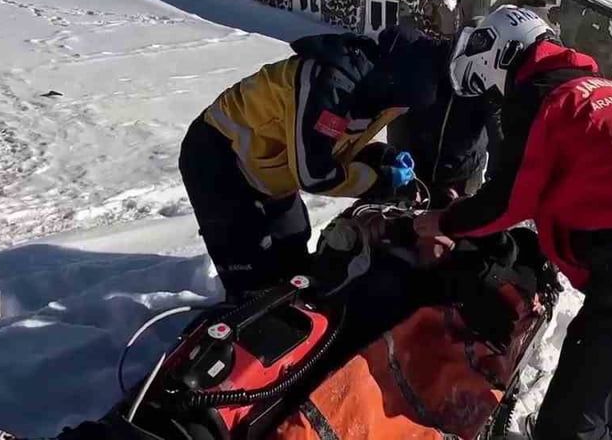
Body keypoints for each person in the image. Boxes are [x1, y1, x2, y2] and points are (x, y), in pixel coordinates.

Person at [411, 5, 612, 440]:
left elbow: (508, 200)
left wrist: (444, 221)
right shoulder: (585, 87)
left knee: (573, 414)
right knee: (600, 383)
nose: (497, 99)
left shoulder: (544, 98)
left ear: (501, 53)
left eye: (491, 86)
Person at [180, 30, 441, 299]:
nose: (402, 112)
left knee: (294, 251)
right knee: (254, 280)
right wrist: (383, 183)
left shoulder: (377, 89)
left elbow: (333, 143)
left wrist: (378, 156)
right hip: (217, 158)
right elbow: (315, 174)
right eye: (404, 105)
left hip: (269, 164)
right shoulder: (331, 87)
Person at [379, 23, 502, 209]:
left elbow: (499, 136)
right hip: (414, 169)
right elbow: (399, 115)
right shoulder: (425, 62)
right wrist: (399, 163)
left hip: (461, 175)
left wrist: (492, 188)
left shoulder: (488, 80)